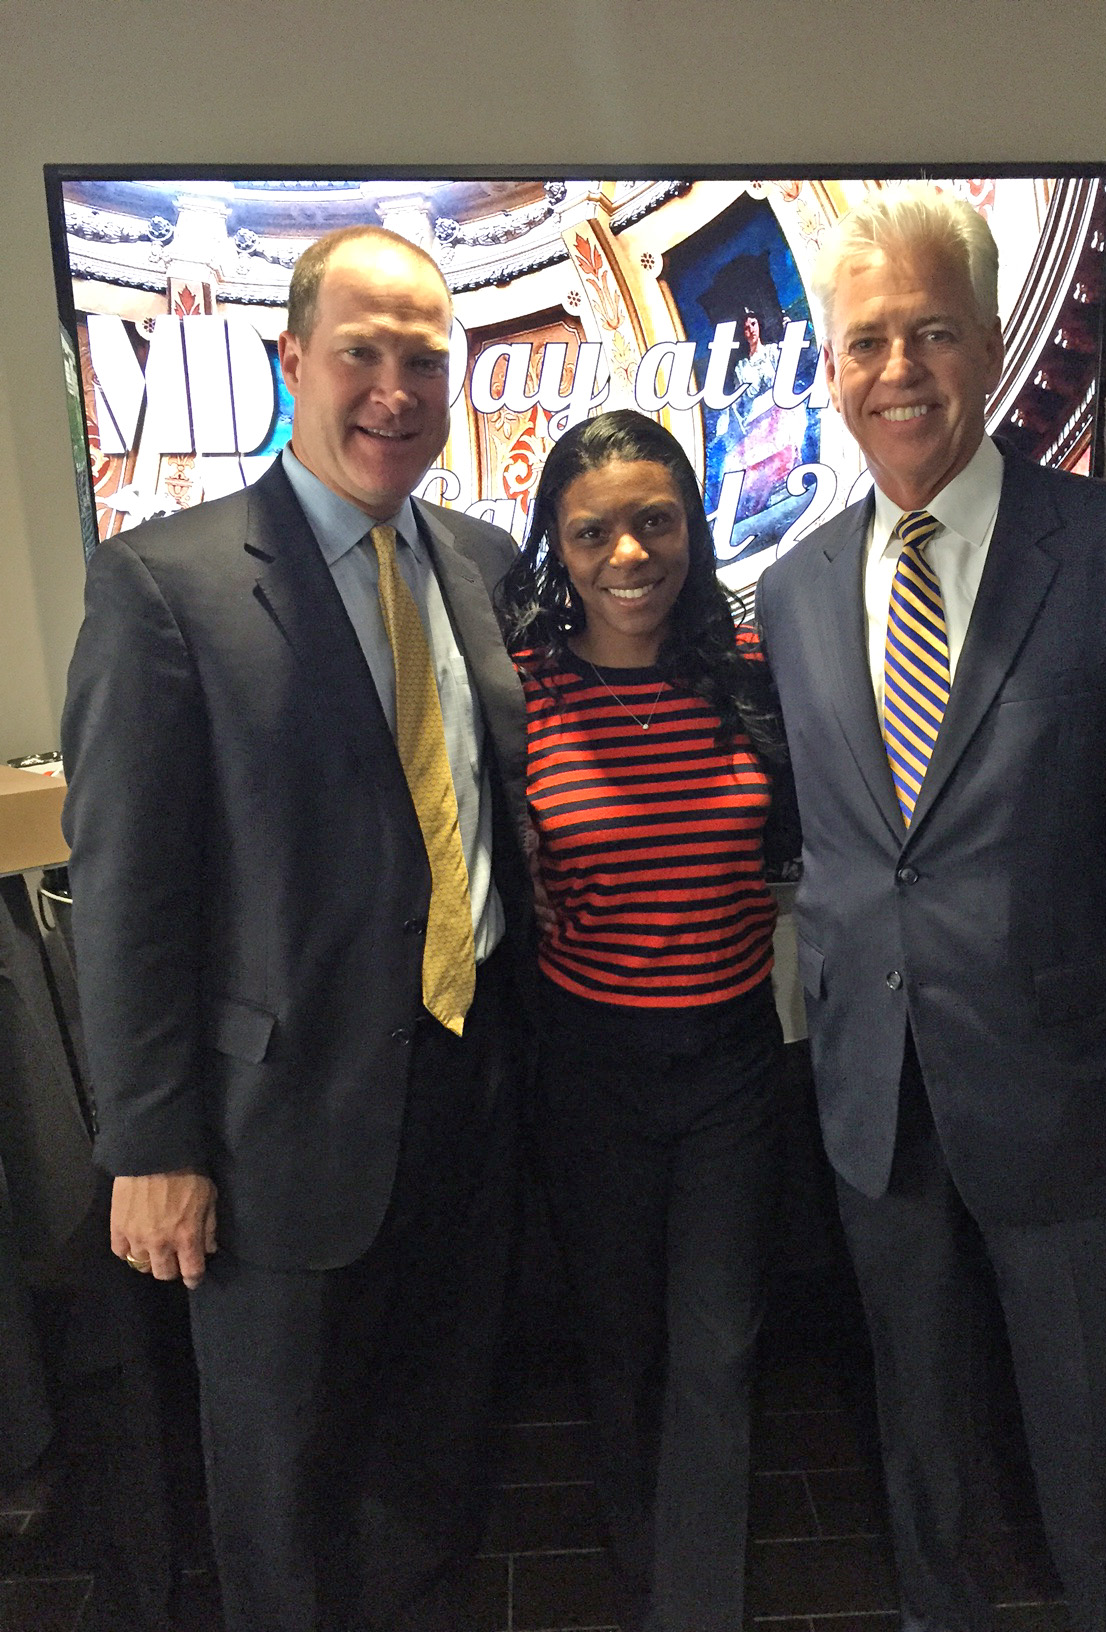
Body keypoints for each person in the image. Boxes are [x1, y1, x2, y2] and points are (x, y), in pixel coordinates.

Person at [755, 183, 1106, 1632]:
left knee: (1101, 1461)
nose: (899, 371)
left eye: (933, 333)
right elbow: (847, 850)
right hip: (877, 1110)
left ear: (990, 343)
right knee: (924, 1452)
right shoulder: (790, 586)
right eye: (867, 341)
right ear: (828, 368)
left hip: (1081, 1106)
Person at [60, 225, 532, 1632]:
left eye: (425, 362)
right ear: (293, 363)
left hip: (467, 1090)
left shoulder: (486, 561)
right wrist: (150, 1146)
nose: (395, 390)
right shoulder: (166, 584)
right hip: (271, 1137)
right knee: (280, 1492)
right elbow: (131, 891)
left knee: (434, 1459)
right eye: (361, 355)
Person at [497, 408, 793, 1632]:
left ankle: (696, 1607)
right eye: (593, 532)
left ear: (693, 527)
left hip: (731, 1065)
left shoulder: (753, 679)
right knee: (617, 1345)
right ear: (557, 550)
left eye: (655, 522)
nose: (629, 554)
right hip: (587, 1067)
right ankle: (637, 1560)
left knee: (718, 1350)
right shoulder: (523, 696)